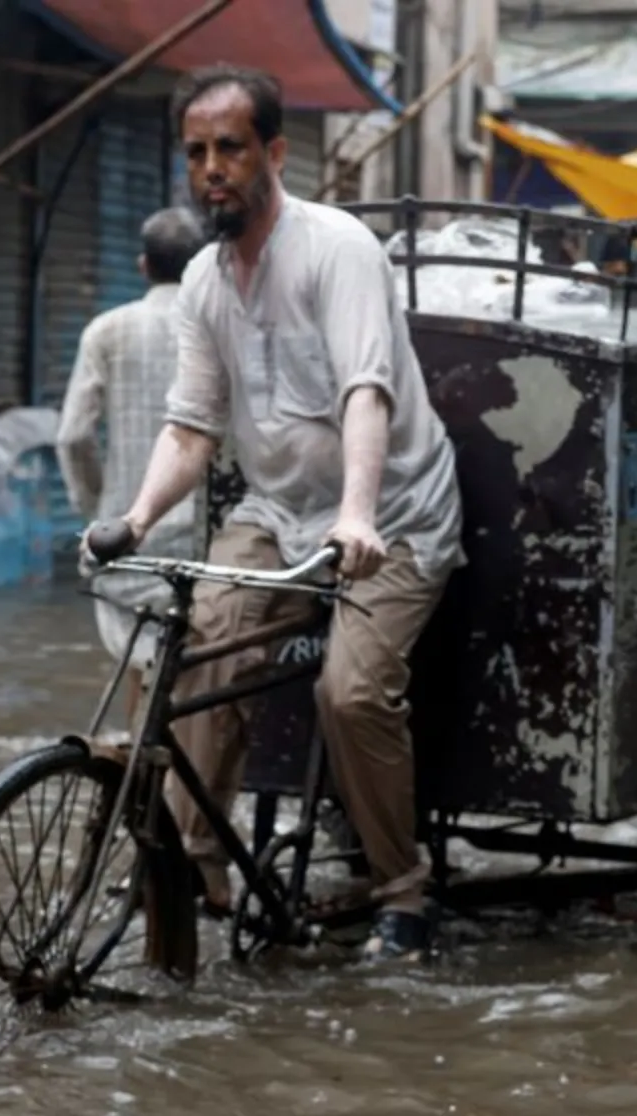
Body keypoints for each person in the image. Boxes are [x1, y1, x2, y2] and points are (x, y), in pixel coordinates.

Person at [98, 65, 464, 962]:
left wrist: (358, 514)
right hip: (277, 510)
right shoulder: (202, 283)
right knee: (204, 647)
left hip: (397, 515)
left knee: (351, 693)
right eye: (197, 153)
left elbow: (365, 392)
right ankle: (198, 865)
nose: (213, 168)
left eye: (230, 148)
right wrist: (137, 521)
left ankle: (401, 890)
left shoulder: (337, 248)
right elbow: (191, 429)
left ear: (274, 152)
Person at [55, 206, 214, 676]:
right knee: (197, 675)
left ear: (144, 266)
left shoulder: (107, 331)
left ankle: (137, 749)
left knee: (138, 668)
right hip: (209, 542)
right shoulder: (219, 327)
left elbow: (73, 435)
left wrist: (99, 510)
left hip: (128, 538)